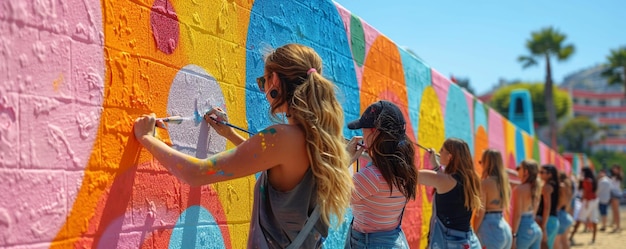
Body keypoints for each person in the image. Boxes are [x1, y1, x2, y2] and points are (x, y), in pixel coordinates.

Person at [133, 43, 354, 248]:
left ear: (275, 81)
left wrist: (146, 137)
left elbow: (198, 173)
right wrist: (228, 133)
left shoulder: (281, 137)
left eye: (263, 82)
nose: (263, 89)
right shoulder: (320, 141)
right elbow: (268, 162)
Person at [344, 100, 417, 248]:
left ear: (374, 132)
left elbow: (333, 195)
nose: (361, 133)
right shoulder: (403, 170)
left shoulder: (371, 177)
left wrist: (345, 159)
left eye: (363, 128)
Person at [421, 138, 482, 249]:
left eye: (442, 149)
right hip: (469, 241)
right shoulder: (472, 179)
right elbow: (446, 180)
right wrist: (435, 165)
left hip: (450, 243)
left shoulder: (445, 180)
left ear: (450, 157)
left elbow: (411, 175)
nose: (439, 151)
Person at [472, 149, 512, 249]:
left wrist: (474, 232)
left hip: (490, 230)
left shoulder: (485, 183)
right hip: (505, 229)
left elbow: (480, 211)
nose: (480, 165)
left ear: (487, 163)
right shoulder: (505, 183)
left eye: (481, 162)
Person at [511, 159, 542, 249]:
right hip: (534, 228)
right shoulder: (537, 187)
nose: (517, 170)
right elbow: (534, 212)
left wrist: (513, 236)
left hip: (523, 229)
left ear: (526, 172)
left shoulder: (519, 189)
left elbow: (517, 215)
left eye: (519, 168)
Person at [569, 167, 599, 245]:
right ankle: (593, 238)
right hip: (594, 200)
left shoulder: (586, 180)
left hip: (588, 201)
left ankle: (571, 237)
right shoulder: (592, 180)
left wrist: (586, 201)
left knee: (580, 218)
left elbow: (586, 192)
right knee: (594, 219)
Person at [536, 165, 560, 249]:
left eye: (542, 172)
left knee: (544, 246)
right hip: (553, 219)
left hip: (547, 220)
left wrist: (543, 226)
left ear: (550, 174)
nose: (540, 174)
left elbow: (547, 207)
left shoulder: (547, 187)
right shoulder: (555, 185)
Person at [555, 171, 574, 249]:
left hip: (560, 215)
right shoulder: (568, 186)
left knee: (558, 243)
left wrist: (557, 208)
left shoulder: (562, 187)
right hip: (565, 215)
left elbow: (563, 201)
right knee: (564, 241)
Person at [609, 165, 622, 233]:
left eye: (615, 168)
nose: (614, 169)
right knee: (614, 211)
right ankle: (616, 226)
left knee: (616, 211)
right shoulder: (612, 176)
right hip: (612, 194)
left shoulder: (618, 176)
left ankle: (618, 226)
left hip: (616, 194)